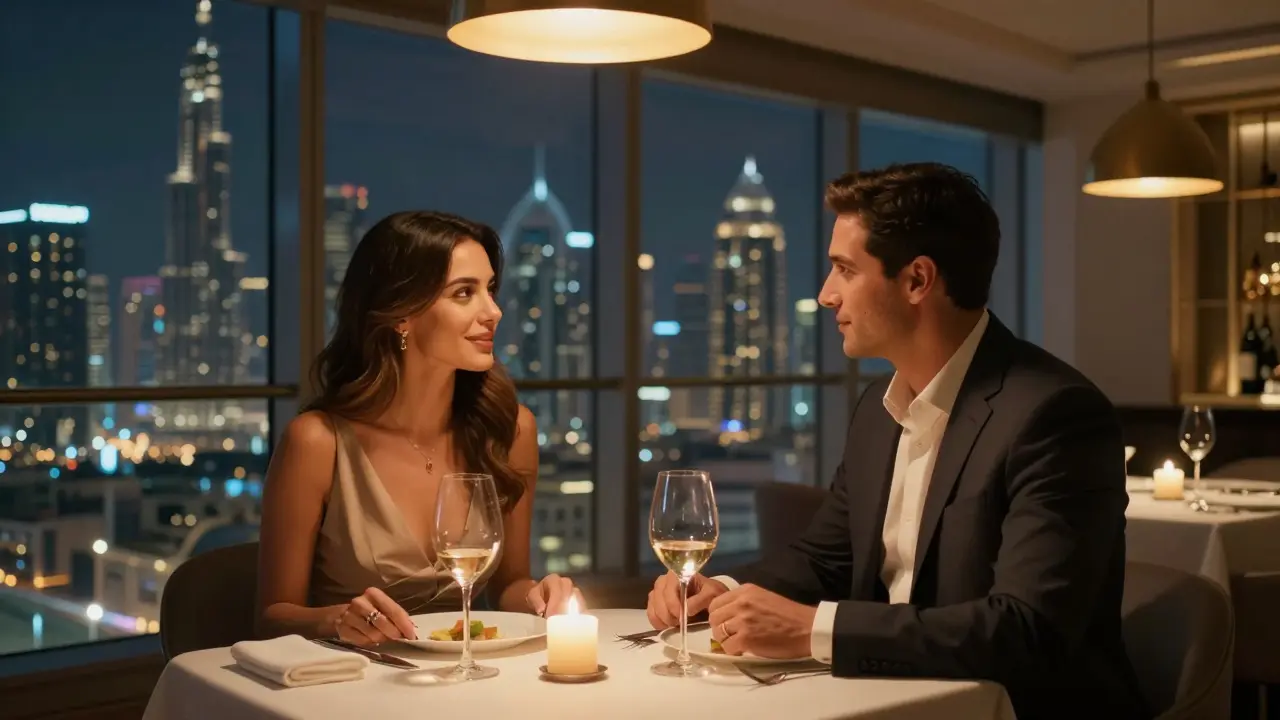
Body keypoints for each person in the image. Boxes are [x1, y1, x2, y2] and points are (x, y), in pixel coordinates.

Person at [646, 163, 1148, 719]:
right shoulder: (877, 409)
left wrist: (816, 628)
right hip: (891, 699)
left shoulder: (1054, 415)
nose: (825, 295)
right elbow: (825, 559)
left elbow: (1025, 630)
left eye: (844, 270)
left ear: (917, 280)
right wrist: (720, 587)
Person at [257, 210, 578, 647]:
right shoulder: (317, 442)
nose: (494, 311)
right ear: (401, 314)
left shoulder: (511, 430)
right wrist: (336, 620)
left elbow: (509, 586)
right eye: (464, 293)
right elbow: (271, 618)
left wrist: (540, 597)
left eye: (490, 289)